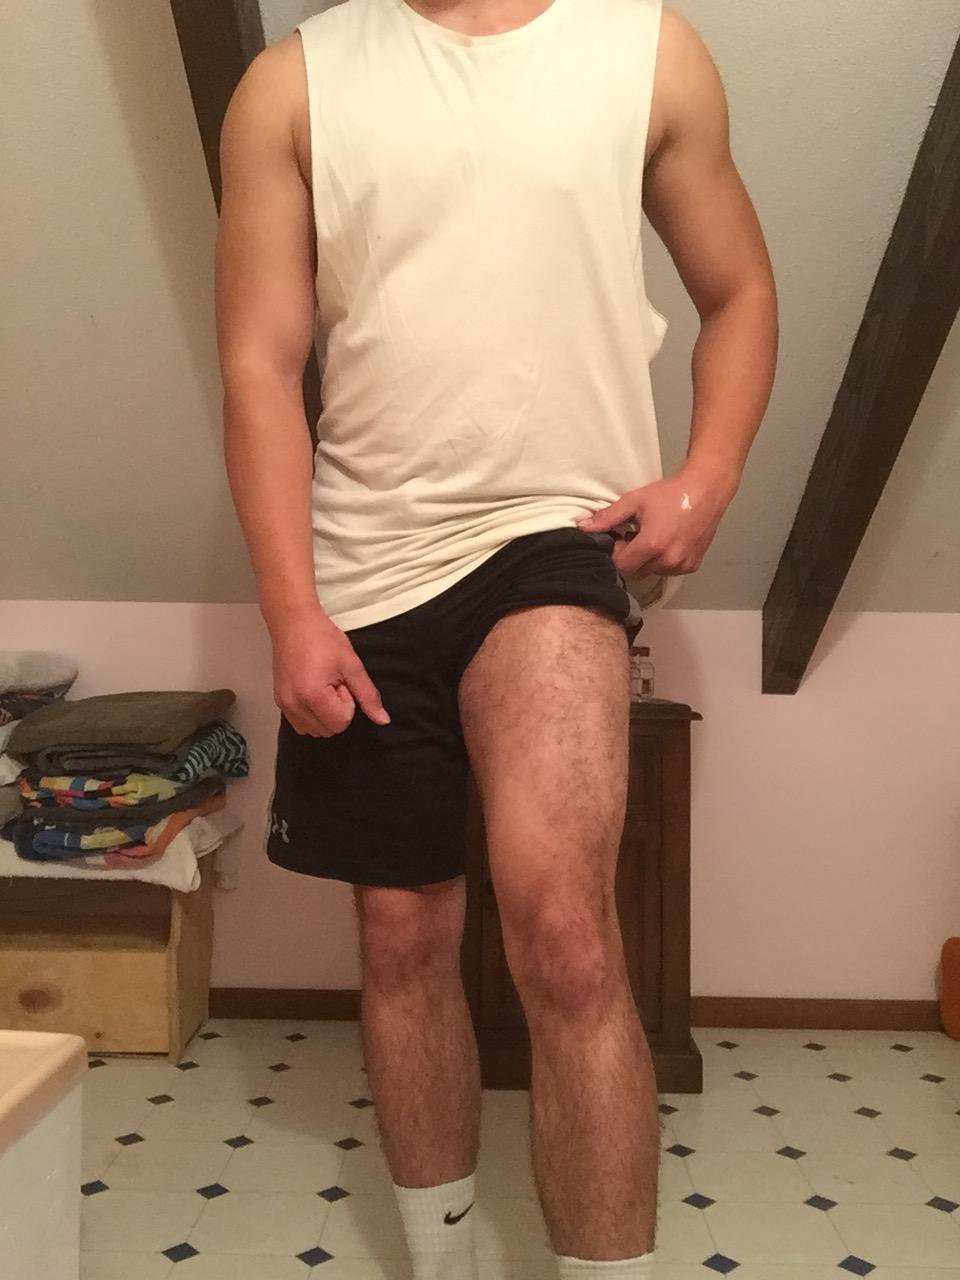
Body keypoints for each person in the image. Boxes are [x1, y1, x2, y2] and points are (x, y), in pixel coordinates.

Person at [214, 0, 778, 1275]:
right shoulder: (293, 86)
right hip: (366, 562)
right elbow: (258, 362)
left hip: (555, 530)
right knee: (402, 937)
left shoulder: (648, 51)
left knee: (567, 935)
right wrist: (291, 609)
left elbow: (740, 291)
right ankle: (443, 1258)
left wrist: (708, 478)